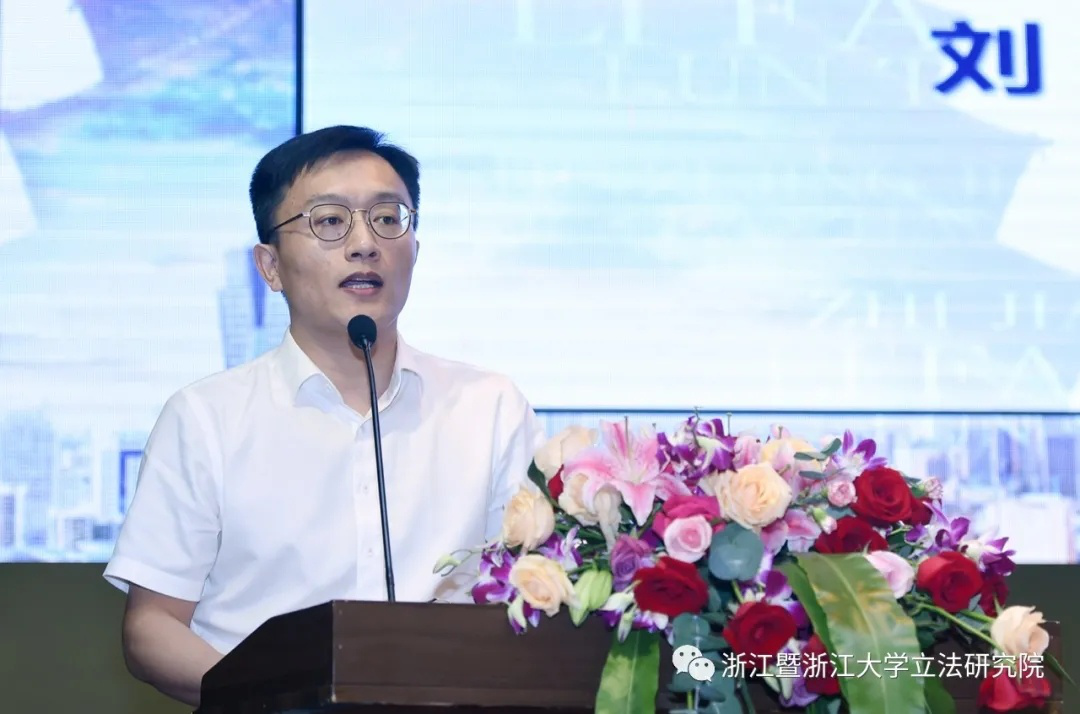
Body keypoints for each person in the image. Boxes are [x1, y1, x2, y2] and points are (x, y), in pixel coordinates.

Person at [102, 125, 549, 707]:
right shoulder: (206, 419)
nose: (365, 243)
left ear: (415, 251)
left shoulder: (490, 408)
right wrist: (268, 700)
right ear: (270, 267)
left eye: (388, 218)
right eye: (330, 221)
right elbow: (152, 625)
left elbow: (537, 591)